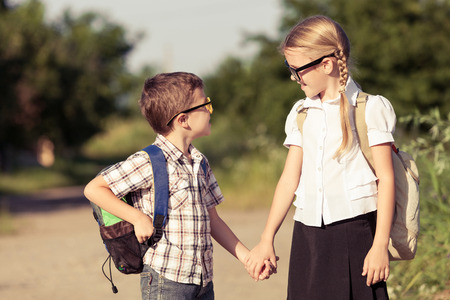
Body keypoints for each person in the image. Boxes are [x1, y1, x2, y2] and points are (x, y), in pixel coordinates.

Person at [244, 15, 395, 299]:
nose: (293, 77)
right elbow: (289, 180)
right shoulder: (300, 113)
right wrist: (267, 239)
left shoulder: (370, 109)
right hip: (307, 236)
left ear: (326, 64)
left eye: (297, 69)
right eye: (289, 68)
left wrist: (379, 245)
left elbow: (386, 179)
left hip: (356, 234)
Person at [84, 72, 272, 300]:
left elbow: (213, 220)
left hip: (202, 281)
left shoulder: (200, 162)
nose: (210, 110)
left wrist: (247, 257)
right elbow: (94, 189)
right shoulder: (149, 161)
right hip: (167, 280)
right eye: (206, 105)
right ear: (183, 120)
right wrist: (137, 218)